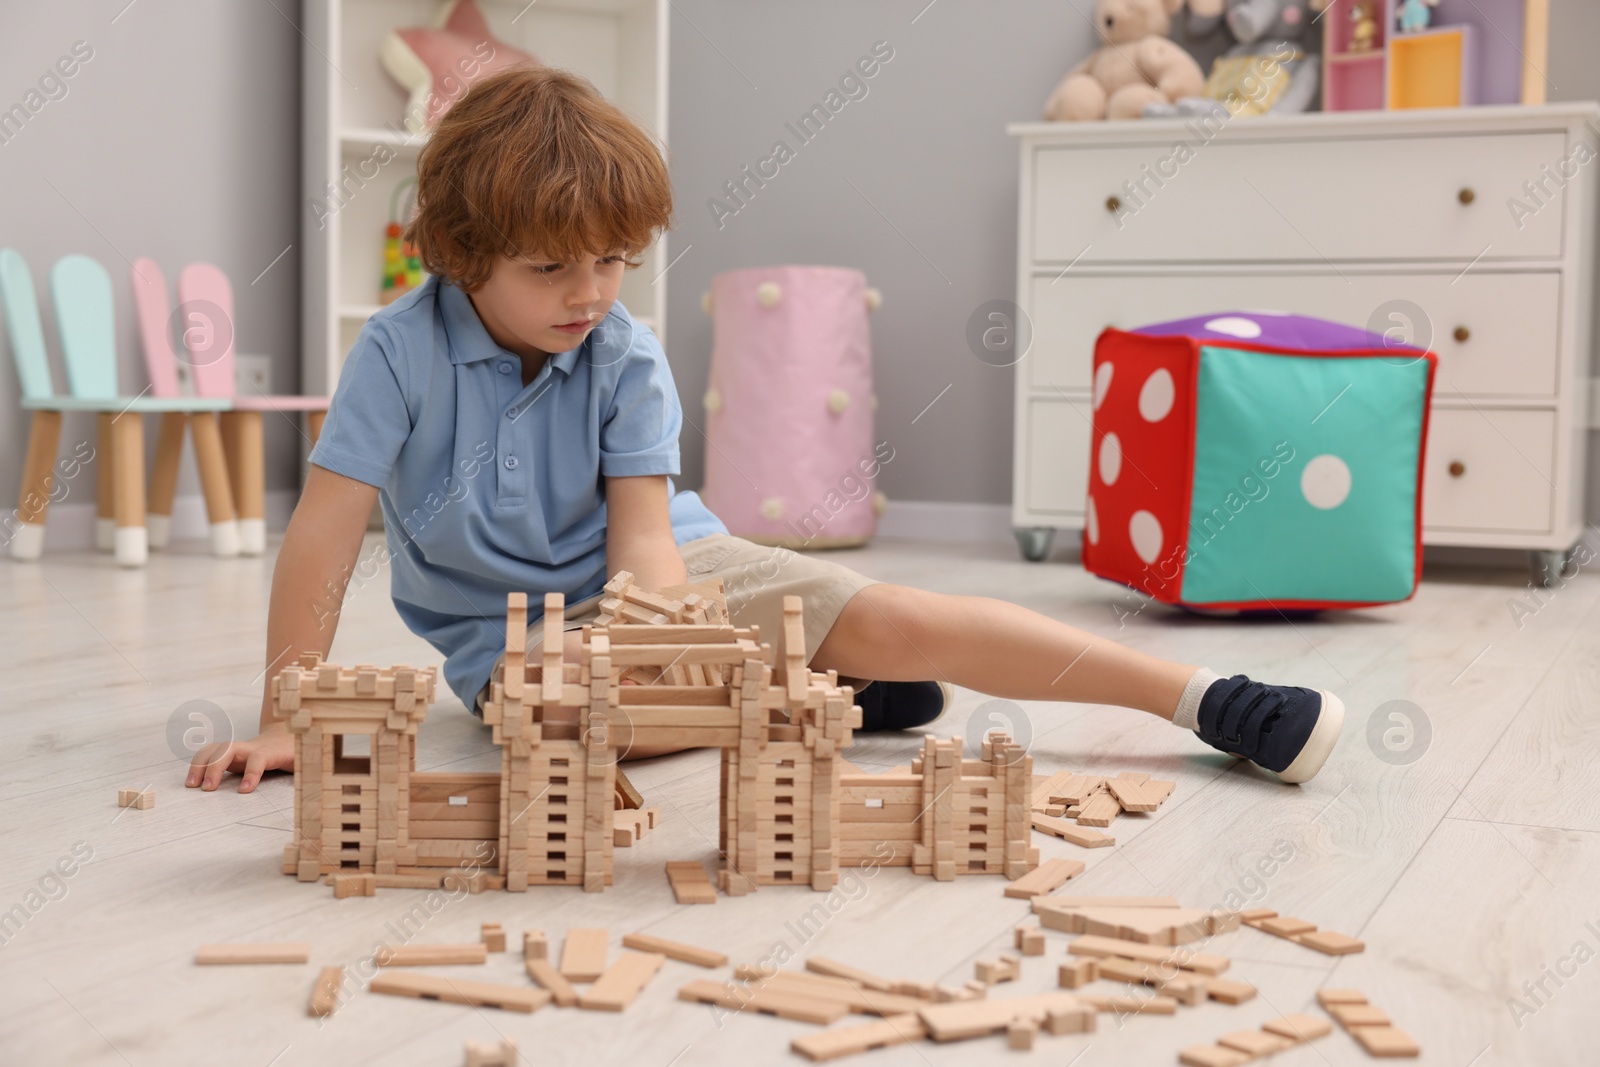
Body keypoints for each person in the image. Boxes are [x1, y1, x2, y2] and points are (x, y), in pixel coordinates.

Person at [186, 65, 1342, 794]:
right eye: (550, 267)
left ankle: (1197, 696)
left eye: (613, 260)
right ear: (457, 253)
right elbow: (326, 535)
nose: (589, 292)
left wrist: (667, 626)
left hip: (670, 574)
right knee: (575, 737)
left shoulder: (623, 350)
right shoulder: (398, 350)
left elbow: (645, 536)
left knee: (901, 614)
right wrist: (293, 712)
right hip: (513, 635)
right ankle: (822, 691)